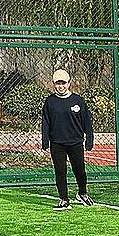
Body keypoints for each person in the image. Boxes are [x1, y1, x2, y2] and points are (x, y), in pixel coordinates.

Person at [41, 69, 95, 210]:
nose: (61, 86)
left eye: (63, 83)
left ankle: (82, 193)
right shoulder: (50, 102)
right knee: (60, 171)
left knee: (80, 170)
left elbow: (87, 122)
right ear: (53, 84)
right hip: (57, 143)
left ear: (69, 83)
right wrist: (45, 139)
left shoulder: (78, 100)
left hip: (75, 142)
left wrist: (89, 138)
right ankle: (64, 199)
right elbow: (46, 122)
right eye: (58, 83)